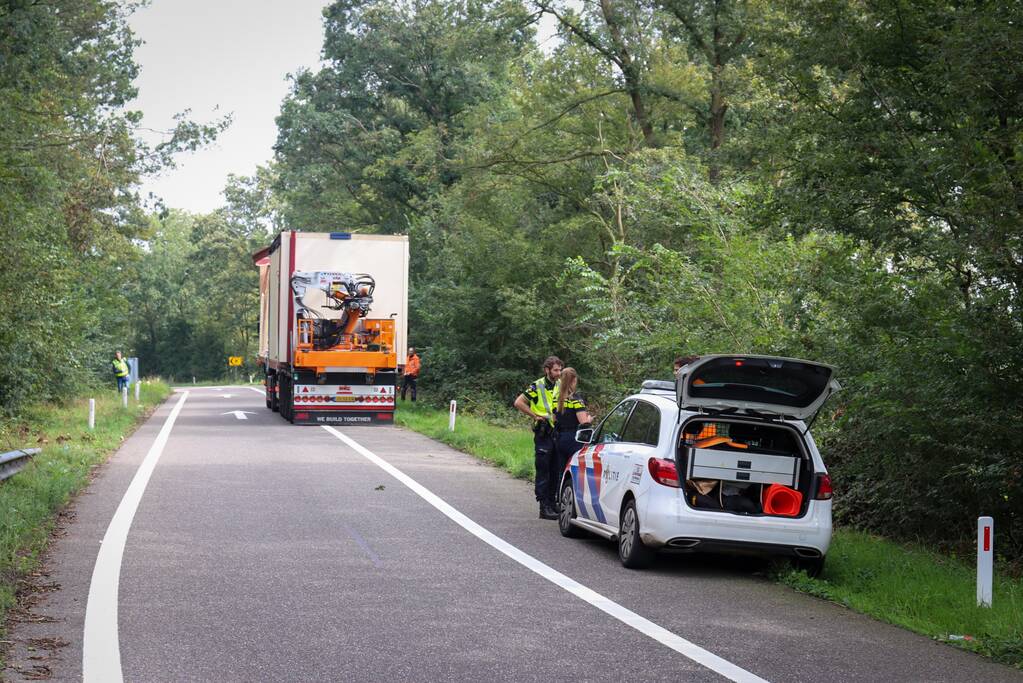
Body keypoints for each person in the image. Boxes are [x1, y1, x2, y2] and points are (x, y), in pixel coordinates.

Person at [514, 356, 563, 520]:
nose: (558, 373)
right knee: (544, 470)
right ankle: (543, 506)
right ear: (547, 370)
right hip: (543, 433)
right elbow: (519, 402)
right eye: (555, 370)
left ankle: (552, 503)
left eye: (560, 370)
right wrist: (535, 415)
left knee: (556, 469)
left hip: (557, 433)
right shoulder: (537, 386)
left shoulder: (560, 385)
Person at [552, 367, 591, 496]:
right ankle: (570, 498)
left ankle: (557, 498)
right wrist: (589, 419)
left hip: (559, 437)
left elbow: (554, 418)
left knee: (560, 471)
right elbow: (583, 422)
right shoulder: (576, 399)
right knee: (573, 472)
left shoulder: (556, 398)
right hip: (573, 439)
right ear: (574, 380)